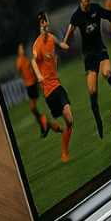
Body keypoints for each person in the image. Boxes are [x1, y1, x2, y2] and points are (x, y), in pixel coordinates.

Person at [64, 0, 111, 138]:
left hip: (100, 49)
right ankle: (99, 124)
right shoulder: (76, 16)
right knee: (93, 92)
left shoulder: (95, 9)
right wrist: (64, 44)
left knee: (107, 72)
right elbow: (69, 33)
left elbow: (110, 15)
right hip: (89, 56)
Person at [32, 13, 74, 163]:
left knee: (70, 121)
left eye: (46, 20)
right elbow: (33, 61)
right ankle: (51, 125)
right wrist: (38, 75)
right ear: (39, 24)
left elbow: (57, 42)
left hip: (57, 86)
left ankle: (64, 152)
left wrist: (63, 45)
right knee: (62, 122)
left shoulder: (51, 37)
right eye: (42, 21)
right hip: (49, 92)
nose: (45, 23)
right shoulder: (37, 45)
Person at [16, 42, 58, 138]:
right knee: (33, 109)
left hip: (33, 84)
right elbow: (18, 72)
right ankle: (44, 124)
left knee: (33, 108)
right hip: (29, 85)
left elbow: (32, 70)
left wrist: (37, 81)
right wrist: (22, 79)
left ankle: (45, 123)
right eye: (21, 49)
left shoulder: (27, 60)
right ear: (18, 52)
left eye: (22, 49)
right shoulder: (19, 62)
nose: (22, 51)